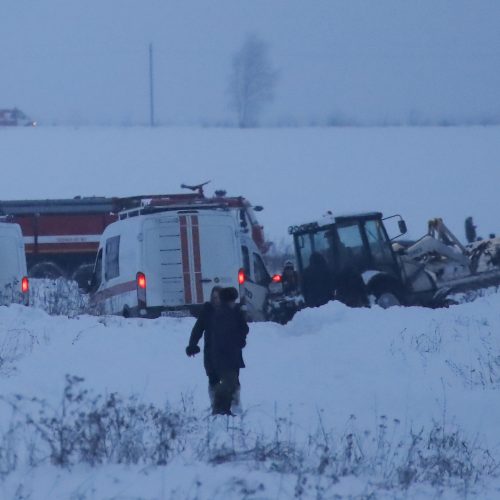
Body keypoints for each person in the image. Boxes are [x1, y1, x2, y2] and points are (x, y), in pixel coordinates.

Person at [209, 287, 249, 415]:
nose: (234, 302)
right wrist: (238, 339)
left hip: (230, 354)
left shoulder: (231, 312)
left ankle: (223, 408)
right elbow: (224, 335)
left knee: (231, 381)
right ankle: (220, 406)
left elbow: (243, 328)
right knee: (229, 381)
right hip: (225, 355)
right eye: (232, 300)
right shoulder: (224, 314)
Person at [185, 286, 222, 410]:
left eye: (218, 297)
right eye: (214, 297)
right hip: (210, 353)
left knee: (230, 380)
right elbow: (197, 329)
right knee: (213, 379)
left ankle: (232, 407)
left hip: (226, 353)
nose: (216, 300)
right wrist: (192, 345)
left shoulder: (228, 311)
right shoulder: (207, 311)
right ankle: (215, 406)